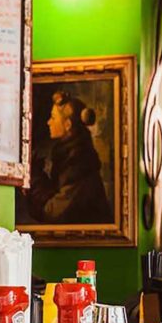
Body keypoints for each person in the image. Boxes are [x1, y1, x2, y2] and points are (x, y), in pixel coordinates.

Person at [26, 90, 111, 224]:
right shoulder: (69, 155)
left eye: (53, 117)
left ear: (67, 125)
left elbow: (52, 212)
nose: (49, 122)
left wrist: (35, 178)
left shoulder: (79, 162)